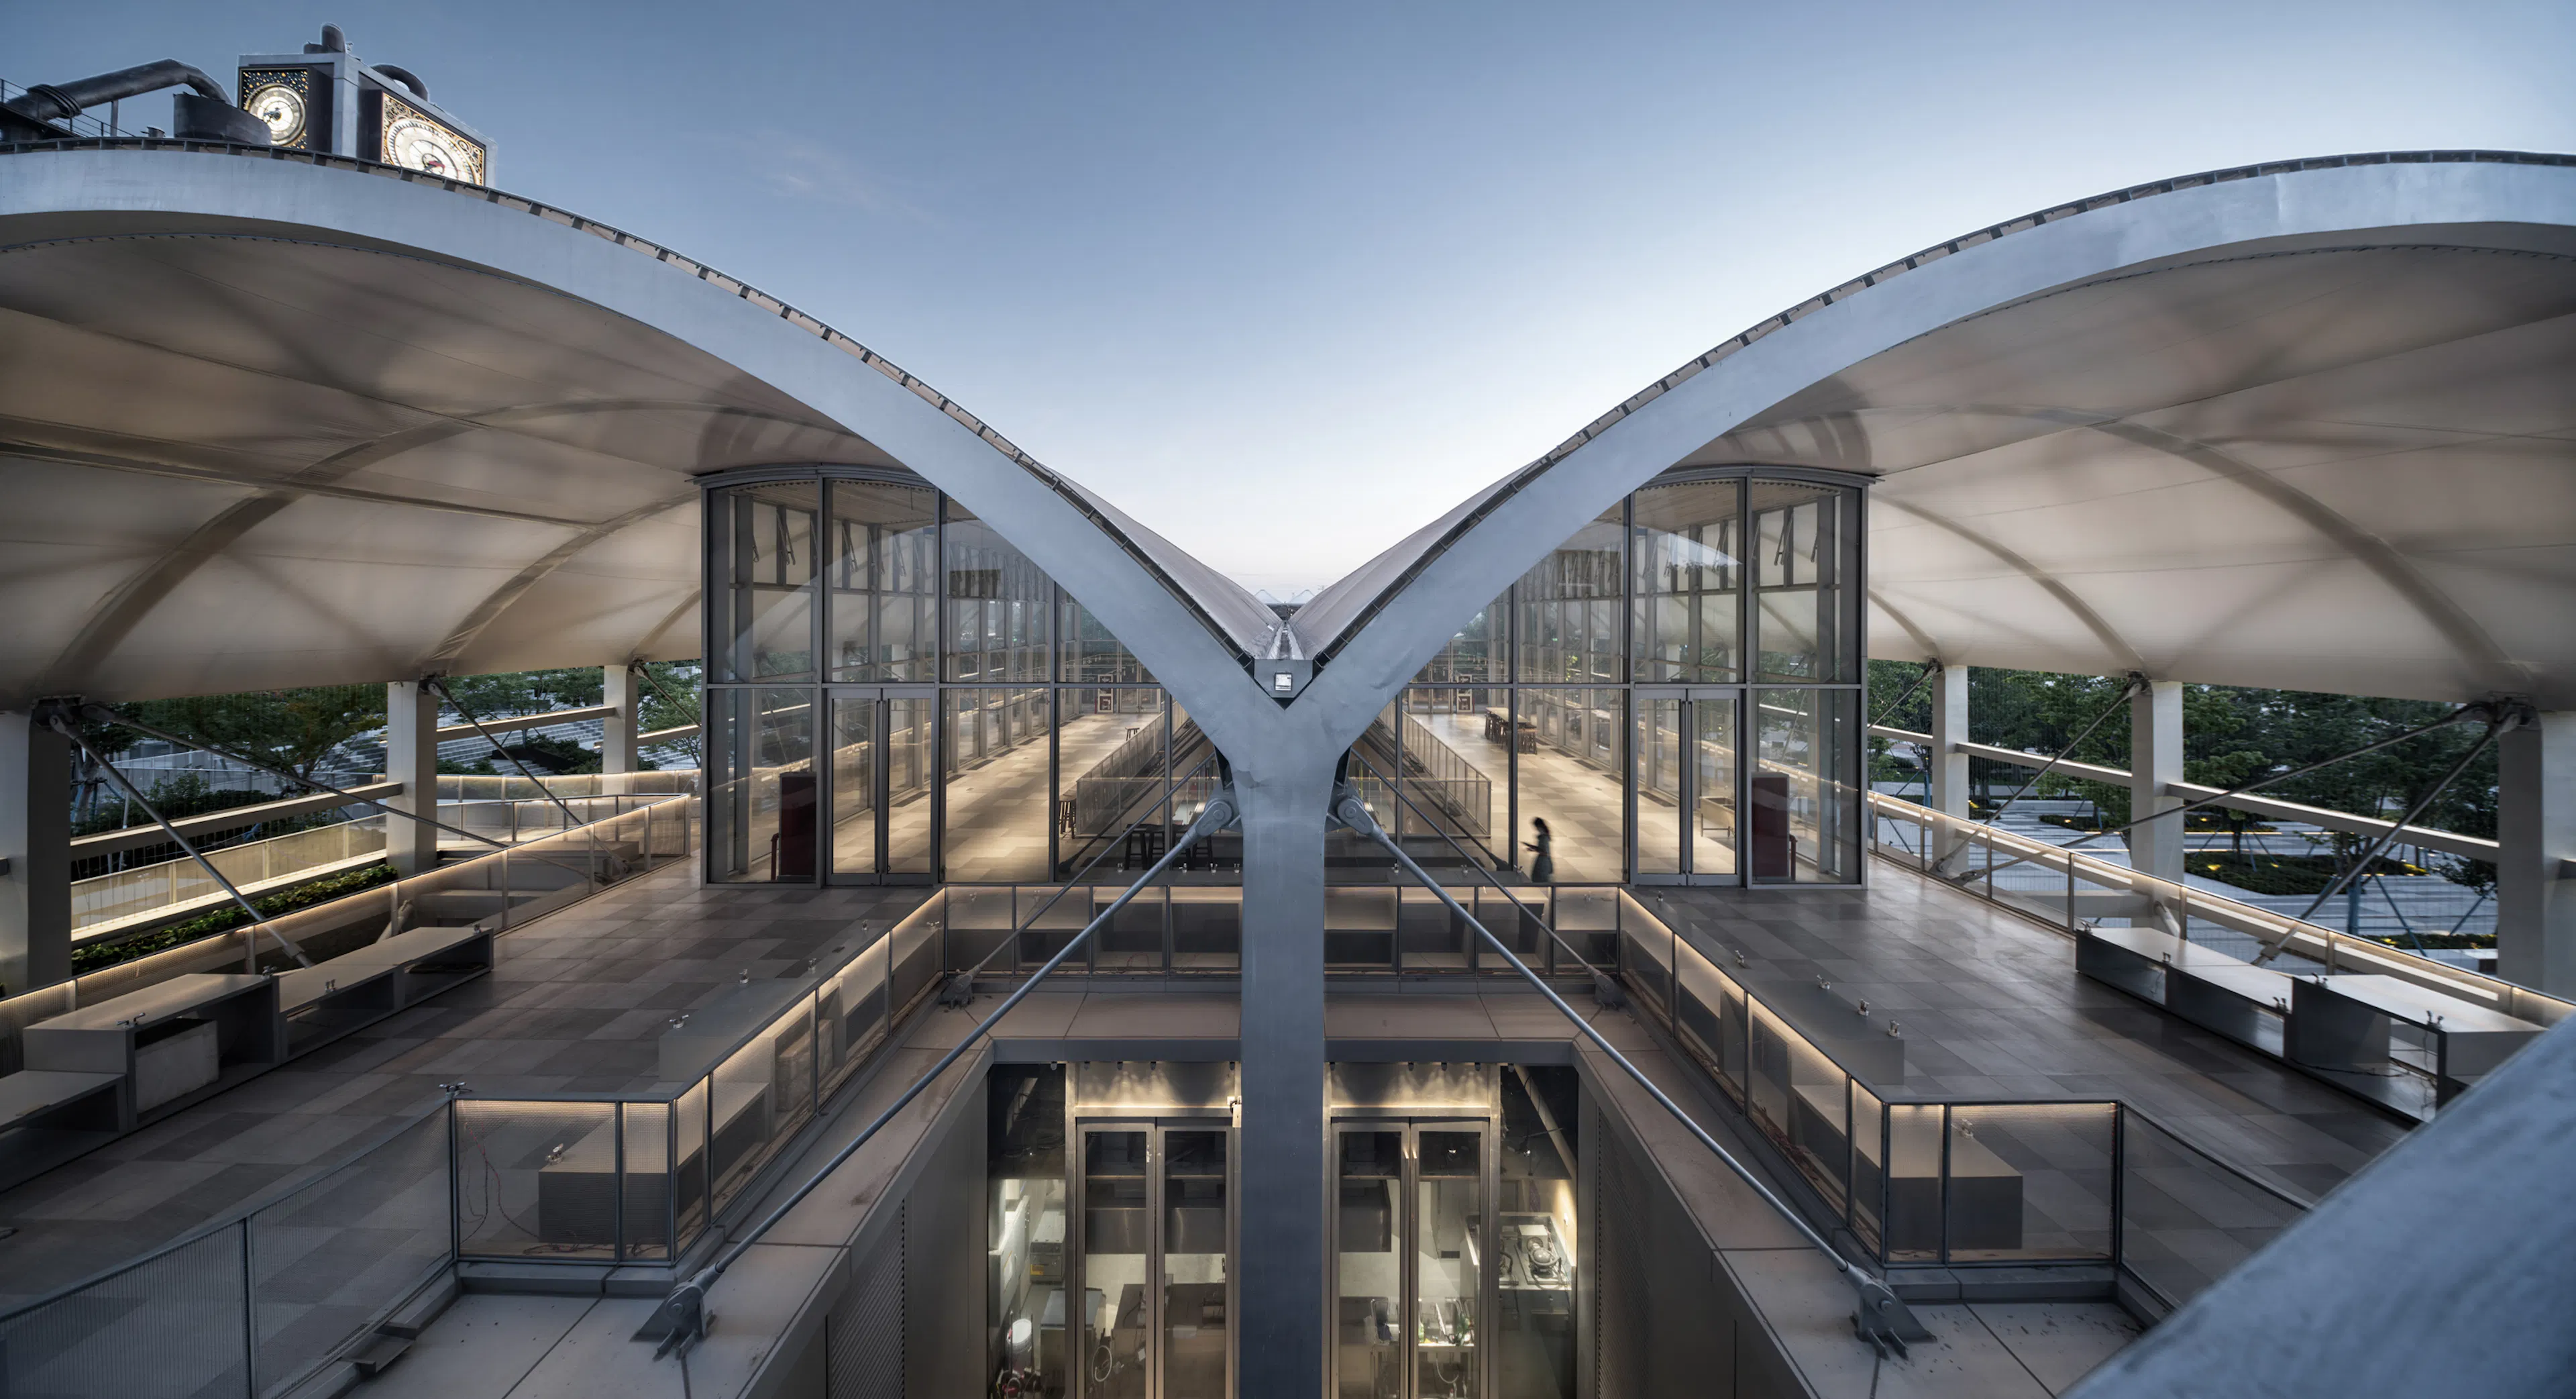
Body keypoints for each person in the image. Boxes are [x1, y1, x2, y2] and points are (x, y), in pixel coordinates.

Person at [1525, 817, 1554, 884]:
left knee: (1539, 877)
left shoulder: (1544, 837)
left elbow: (1544, 851)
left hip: (1543, 861)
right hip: (1544, 860)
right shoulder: (1545, 836)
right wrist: (1531, 847)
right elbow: (1541, 849)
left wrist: (1533, 849)